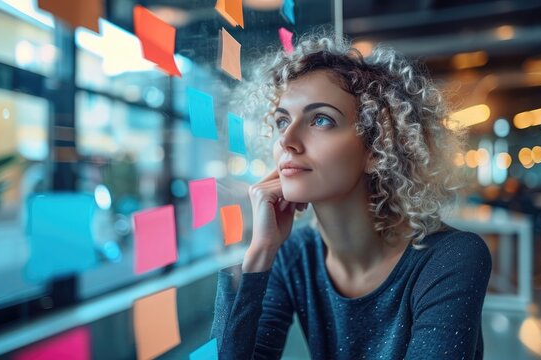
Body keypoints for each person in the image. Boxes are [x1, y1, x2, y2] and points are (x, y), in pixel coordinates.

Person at [210, 31, 492, 360]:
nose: (286, 139)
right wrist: (258, 254)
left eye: (320, 119)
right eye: (282, 120)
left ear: (377, 147)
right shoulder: (294, 255)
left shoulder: (451, 257)